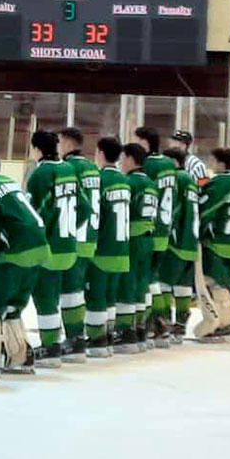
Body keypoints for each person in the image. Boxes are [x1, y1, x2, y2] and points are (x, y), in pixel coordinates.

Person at [0, 151, 49, 376]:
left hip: (16, 250)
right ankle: (19, 357)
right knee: (13, 305)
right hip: (40, 248)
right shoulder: (9, 183)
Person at [25, 129, 86, 367]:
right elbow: (84, 208)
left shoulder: (40, 174)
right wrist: (67, 231)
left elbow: (35, 215)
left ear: (37, 149)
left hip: (49, 250)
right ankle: (76, 343)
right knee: (71, 295)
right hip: (69, 247)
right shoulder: (68, 169)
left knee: (46, 298)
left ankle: (50, 348)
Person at [86, 137, 130, 358]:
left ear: (101, 153)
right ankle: (109, 336)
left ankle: (97, 340)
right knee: (111, 297)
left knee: (96, 297)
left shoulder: (99, 179)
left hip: (102, 249)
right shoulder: (124, 181)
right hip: (121, 248)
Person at [195, 148, 230, 342]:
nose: (210, 162)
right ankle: (226, 323)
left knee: (212, 283)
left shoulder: (221, 183)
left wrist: (196, 233)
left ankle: (218, 325)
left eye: (212, 159)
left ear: (220, 163)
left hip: (218, 242)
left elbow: (205, 211)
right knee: (221, 283)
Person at [59, 126, 100, 360]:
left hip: (74, 237)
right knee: (77, 291)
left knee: (70, 292)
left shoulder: (69, 167)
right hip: (91, 237)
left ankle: (75, 339)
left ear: (67, 143)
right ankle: (77, 336)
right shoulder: (92, 167)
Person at [135, 126, 177, 346]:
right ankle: (162, 323)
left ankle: (157, 324)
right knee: (155, 279)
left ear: (145, 143)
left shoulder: (148, 165)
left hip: (151, 229)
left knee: (148, 280)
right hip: (166, 227)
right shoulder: (169, 164)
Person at [118, 143, 158, 354]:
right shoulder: (151, 183)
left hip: (133, 238)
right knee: (143, 284)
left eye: (123, 158)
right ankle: (142, 328)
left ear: (130, 159)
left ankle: (126, 332)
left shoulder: (129, 182)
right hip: (148, 237)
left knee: (128, 284)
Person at [157, 148, 200, 345]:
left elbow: (172, 209)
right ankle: (180, 325)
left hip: (176, 241)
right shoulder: (190, 180)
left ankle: (164, 324)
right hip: (191, 241)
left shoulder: (176, 179)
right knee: (183, 286)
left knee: (164, 284)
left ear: (174, 161)